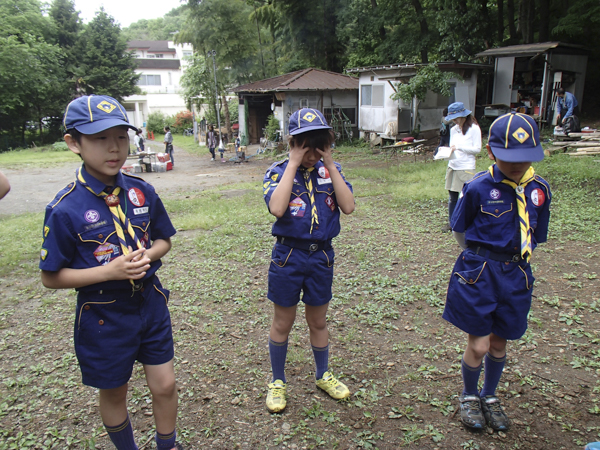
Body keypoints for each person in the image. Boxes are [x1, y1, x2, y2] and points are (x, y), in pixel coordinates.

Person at [39, 95, 184, 450]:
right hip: (103, 314)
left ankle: (168, 445)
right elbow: (50, 277)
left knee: (165, 384)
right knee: (115, 392)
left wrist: (147, 255)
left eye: (120, 137)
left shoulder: (141, 191)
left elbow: (164, 239)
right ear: (74, 143)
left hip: (150, 303)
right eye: (101, 138)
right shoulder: (64, 208)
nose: (114, 148)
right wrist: (110, 272)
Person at [443, 112, 551, 432]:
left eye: (525, 157)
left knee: (500, 345)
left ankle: (490, 396)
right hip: (481, 271)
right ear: (491, 152)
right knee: (478, 345)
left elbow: (535, 235)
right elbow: (459, 230)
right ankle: (468, 395)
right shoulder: (477, 186)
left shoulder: (539, 190)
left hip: (516, 273)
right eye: (508, 157)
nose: (517, 164)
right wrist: (480, 258)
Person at [262, 108, 355, 413]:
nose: (312, 153)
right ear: (293, 143)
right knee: (282, 322)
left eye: (319, 144)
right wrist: (292, 163)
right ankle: (277, 381)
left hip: (321, 257)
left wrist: (329, 163)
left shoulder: (332, 170)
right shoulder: (278, 172)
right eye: (305, 144)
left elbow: (348, 206)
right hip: (288, 255)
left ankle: (322, 374)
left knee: (318, 320)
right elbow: (277, 208)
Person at [443, 102, 482, 232]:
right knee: (452, 196)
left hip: (466, 166)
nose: (454, 121)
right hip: (453, 165)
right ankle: (452, 223)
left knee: (465, 196)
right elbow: (452, 147)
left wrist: (459, 147)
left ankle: (466, 223)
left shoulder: (474, 129)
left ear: (464, 116)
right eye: (452, 119)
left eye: (456, 118)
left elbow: (477, 149)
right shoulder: (454, 129)